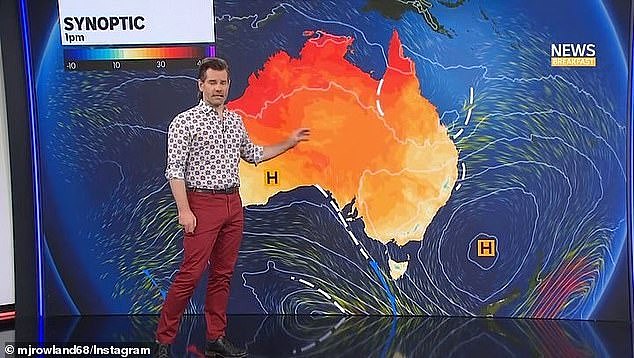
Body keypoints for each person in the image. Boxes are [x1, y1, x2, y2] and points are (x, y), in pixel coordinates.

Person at [155, 57, 309, 358]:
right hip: (201, 204)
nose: (218, 88)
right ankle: (164, 340)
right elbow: (174, 170)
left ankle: (215, 337)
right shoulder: (184, 122)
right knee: (190, 274)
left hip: (232, 204)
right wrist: (184, 211)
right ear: (201, 85)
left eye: (223, 82)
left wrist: (289, 143)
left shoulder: (236, 120)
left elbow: (253, 154)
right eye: (212, 82)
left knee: (223, 274)